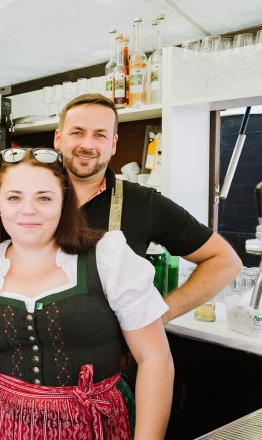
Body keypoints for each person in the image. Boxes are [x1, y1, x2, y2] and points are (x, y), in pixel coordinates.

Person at [0, 147, 174, 439]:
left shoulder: (108, 258)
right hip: (1, 425)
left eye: (44, 197)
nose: (28, 210)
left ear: (64, 202)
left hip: (96, 426)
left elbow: (155, 359)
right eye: (14, 197)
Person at [54, 93, 241, 323]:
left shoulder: (142, 202)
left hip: (112, 355)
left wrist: (162, 313)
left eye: (100, 135)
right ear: (58, 138)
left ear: (113, 144)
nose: (87, 144)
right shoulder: (25, 197)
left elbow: (225, 261)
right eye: (77, 132)